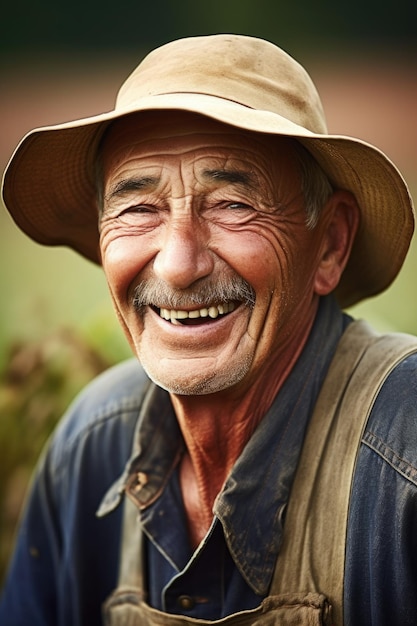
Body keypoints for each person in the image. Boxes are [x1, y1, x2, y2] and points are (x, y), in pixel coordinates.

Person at [0, 34, 416, 626]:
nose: (178, 263)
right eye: (138, 208)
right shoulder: (90, 449)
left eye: (232, 204)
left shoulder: (406, 453)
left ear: (329, 244)